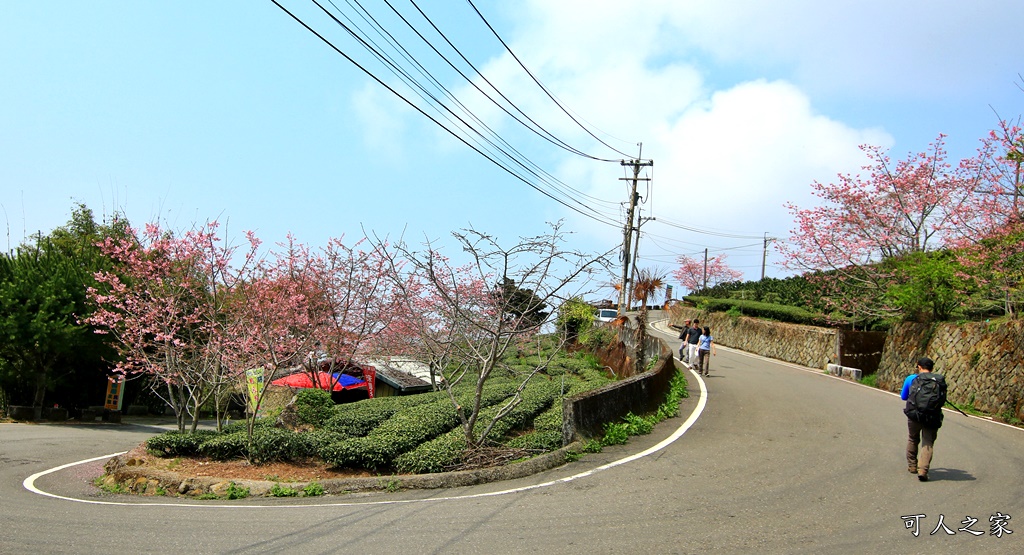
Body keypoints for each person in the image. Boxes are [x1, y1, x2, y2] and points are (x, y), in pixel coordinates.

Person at [900, 356, 946, 482]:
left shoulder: (911, 379)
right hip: (932, 415)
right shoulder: (938, 380)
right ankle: (923, 470)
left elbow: (903, 397)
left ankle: (912, 466)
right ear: (932, 368)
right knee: (928, 442)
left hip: (914, 414)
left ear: (919, 367)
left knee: (913, 438)